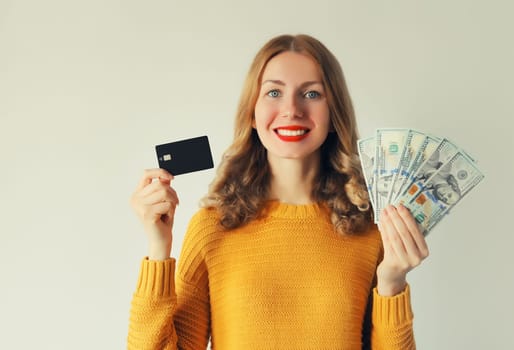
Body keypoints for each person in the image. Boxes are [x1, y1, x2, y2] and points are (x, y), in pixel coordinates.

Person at [128, 34, 429, 350]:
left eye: (311, 93)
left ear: (334, 114)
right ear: (252, 114)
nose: (291, 109)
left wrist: (393, 282)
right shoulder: (211, 228)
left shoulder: (370, 231)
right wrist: (158, 250)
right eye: (273, 92)